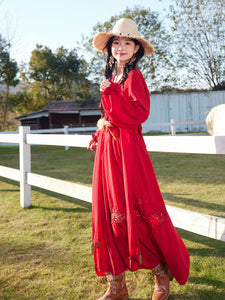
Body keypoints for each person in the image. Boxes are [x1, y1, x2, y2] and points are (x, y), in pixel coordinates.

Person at [89, 18, 190, 300]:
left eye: (127, 42)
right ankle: (117, 285)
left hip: (128, 152)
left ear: (136, 50)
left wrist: (109, 93)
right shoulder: (114, 78)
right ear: (110, 49)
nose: (121, 47)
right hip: (110, 151)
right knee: (108, 215)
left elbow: (137, 114)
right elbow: (111, 117)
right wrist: (99, 134)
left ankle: (161, 274)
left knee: (135, 212)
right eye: (116, 43)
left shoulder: (134, 78)